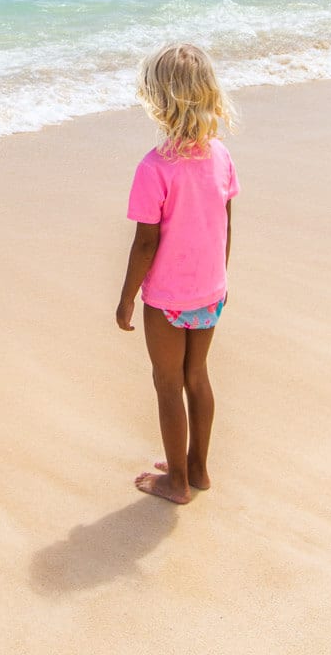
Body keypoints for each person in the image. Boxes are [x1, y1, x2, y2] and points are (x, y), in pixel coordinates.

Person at [116, 43, 239, 504]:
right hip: (211, 291)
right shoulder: (221, 156)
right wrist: (218, 278)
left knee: (167, 383)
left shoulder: (154, 168)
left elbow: (145, 243)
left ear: (158, 101)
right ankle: (198, 469)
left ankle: (177, 483)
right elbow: (226, 221)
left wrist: (127, 297)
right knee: (197, 376)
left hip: (168, 299)